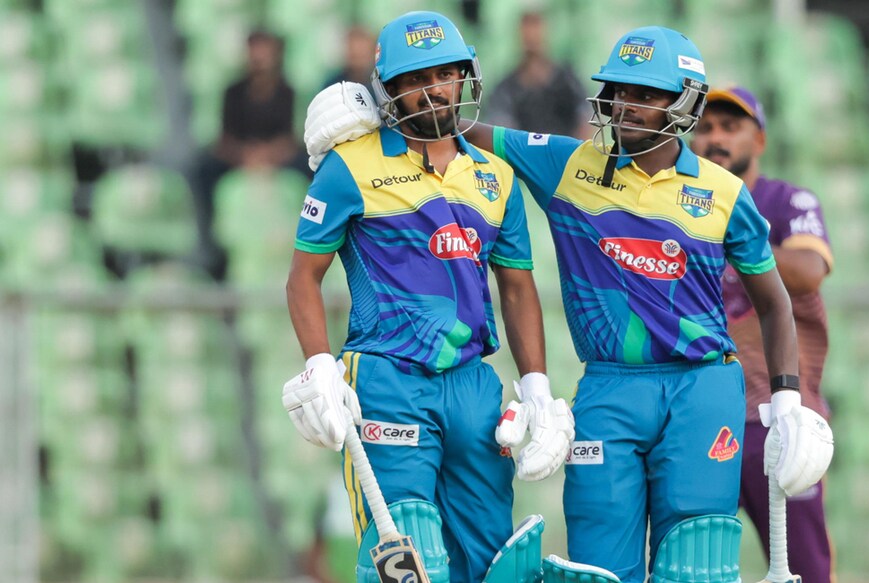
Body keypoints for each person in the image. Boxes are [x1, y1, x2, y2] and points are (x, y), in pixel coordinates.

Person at [304, 25, 834, 583]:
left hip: (703, 387)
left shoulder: (726, 193)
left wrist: (789, 400)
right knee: (599, 568)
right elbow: (459, 127)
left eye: (648, 96)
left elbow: (775, 303)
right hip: (609, 386)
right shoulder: (567, 164)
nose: (629, 108)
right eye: (621, 92)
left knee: (697, 559)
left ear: (686, 103)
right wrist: (370, 117)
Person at [283, 12, 574, 583]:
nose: (433, 88)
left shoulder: (497, 175)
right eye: (416, 78)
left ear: (466, 77)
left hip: (473, 384)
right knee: (408, 555)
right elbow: (302, 276)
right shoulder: (349, 165)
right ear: (388, 89)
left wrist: (536, 385)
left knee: (493, 557)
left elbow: (516, 286)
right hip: (388, 378)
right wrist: (319, 363)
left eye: (445, 73)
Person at [690, 86, 836, 583]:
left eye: (731, 127)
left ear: (761, 139)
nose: (716, 139)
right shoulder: (679, 205)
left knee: (804, 567)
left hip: (780, 414)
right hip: (700, 414)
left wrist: (731, 238)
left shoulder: (785, 200)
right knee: (694, 563)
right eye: (705, 128)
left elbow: (810, 269)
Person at [191, 28, 308, 279]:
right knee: (202, 169)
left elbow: (293, 138)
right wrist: (246, 156)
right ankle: (209, 240)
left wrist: (268, 156)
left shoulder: (288, 91)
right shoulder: (232, 91)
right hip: (240, 158)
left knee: (314, 168)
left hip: (279, 159)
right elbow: (223, 139)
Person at [484, 10, 591, 138]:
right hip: (524, 155)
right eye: (527, 29)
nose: (532, 36)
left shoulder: (568, 80)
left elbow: (586, 120)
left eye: (536, 28)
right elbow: (502, 132)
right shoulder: (506, 89)